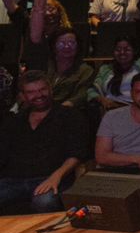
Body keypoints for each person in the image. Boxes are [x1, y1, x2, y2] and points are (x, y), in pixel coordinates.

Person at [0, 71, 90, 214]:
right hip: (14, 180)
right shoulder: (14, 121)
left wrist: (56, 176)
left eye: (42, 89)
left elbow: (77, 154)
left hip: (52, 178)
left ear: (50, 89)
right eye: (31, 92)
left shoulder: (70, 115)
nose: (39, 95)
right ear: (23, 96)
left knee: (44, 202)